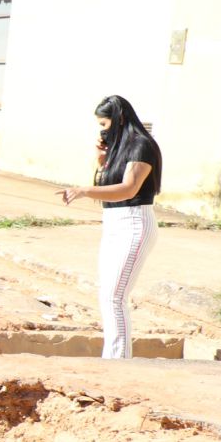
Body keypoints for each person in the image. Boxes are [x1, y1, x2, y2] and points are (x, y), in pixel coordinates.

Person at [56, 94, 161, 359]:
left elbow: (128, 189)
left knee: (116, 297)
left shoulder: (141, 146)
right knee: (107, 295)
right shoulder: (120, 149)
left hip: (134, 223)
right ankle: (113, 356)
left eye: (104, 124)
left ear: (119, 119)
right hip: (114, 224)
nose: (102, 131)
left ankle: (117, 362)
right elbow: (110, 184)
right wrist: (101, 161)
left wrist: (83, 191)